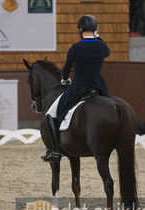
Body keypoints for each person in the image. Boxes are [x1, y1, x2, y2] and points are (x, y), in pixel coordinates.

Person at [41, 15, 110, 162]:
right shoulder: (102, 46)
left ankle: (55, 151)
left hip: (79, 86)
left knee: (51, 114)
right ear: (95, 29)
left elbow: (66, 69)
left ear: (80, 30)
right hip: (99, 86)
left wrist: (64, 79)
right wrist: (98, 37)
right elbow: (106, 52)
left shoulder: (75, 48)